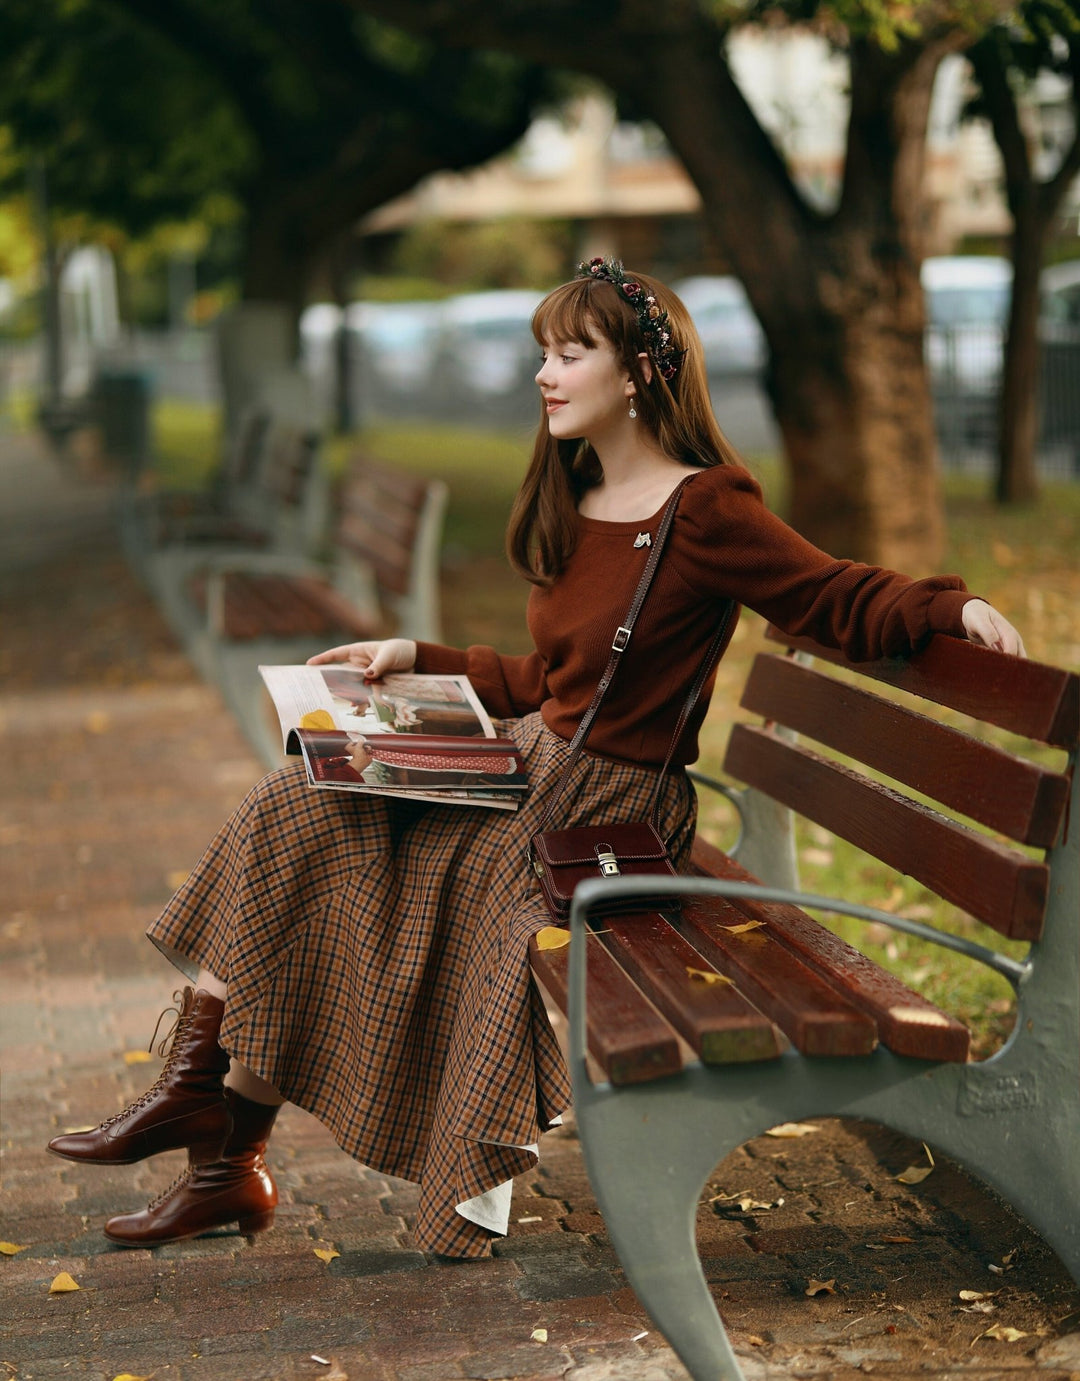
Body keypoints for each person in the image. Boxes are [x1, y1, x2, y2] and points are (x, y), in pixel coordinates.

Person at [46, 256, 1024, 1258]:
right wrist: (413, 661)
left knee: (405, 877)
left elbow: (828, 594)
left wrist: (947, 606)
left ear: (640, 371)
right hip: (531, 766)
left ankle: (225, 1138)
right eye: (541, 356)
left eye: (570, 354)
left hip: (605, 808)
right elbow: (552, 680)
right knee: (297, 805)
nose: (545, 376)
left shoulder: (706, 509)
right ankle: (209, 1131)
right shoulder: (583, 490)